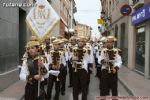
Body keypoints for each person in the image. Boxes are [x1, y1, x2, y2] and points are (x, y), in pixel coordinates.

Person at [71, 36, 90, 100]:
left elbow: (89, 59)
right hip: (75, 69)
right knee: (75, 87)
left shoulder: (87, 50)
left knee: (84, 87)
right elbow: (69, 57)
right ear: (77, 42)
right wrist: (72, 59)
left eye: (82, 41)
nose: (80, 43)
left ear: (84, 43)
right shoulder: (73, 49)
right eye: (79, 41)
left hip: (83, 70)